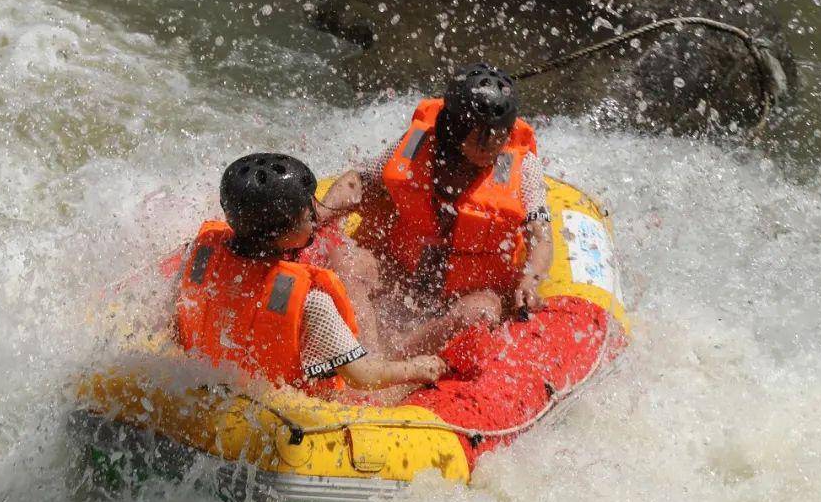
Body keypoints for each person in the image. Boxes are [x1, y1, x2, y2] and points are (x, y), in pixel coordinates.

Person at [321, 64, 554, 353]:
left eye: (500, 135)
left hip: (472, 290)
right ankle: (366, 354)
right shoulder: (417, 143)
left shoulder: (524, 168)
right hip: (402, 269)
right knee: (345, 259)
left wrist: (530, 280)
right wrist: (320, 213)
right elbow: (359, 182)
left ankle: (399, 359)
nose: (493, 145)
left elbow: (540, 235)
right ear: (456, 127)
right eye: (482, 136)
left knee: (481, 314)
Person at [174, 154, 444, 395]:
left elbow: (178, 324)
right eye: (308, 212)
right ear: (281, 231)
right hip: (289, 410)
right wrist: (415, 368)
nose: (316, 216)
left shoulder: (198, 259)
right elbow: (364, 377)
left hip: (214, 382)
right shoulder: (311, 301)